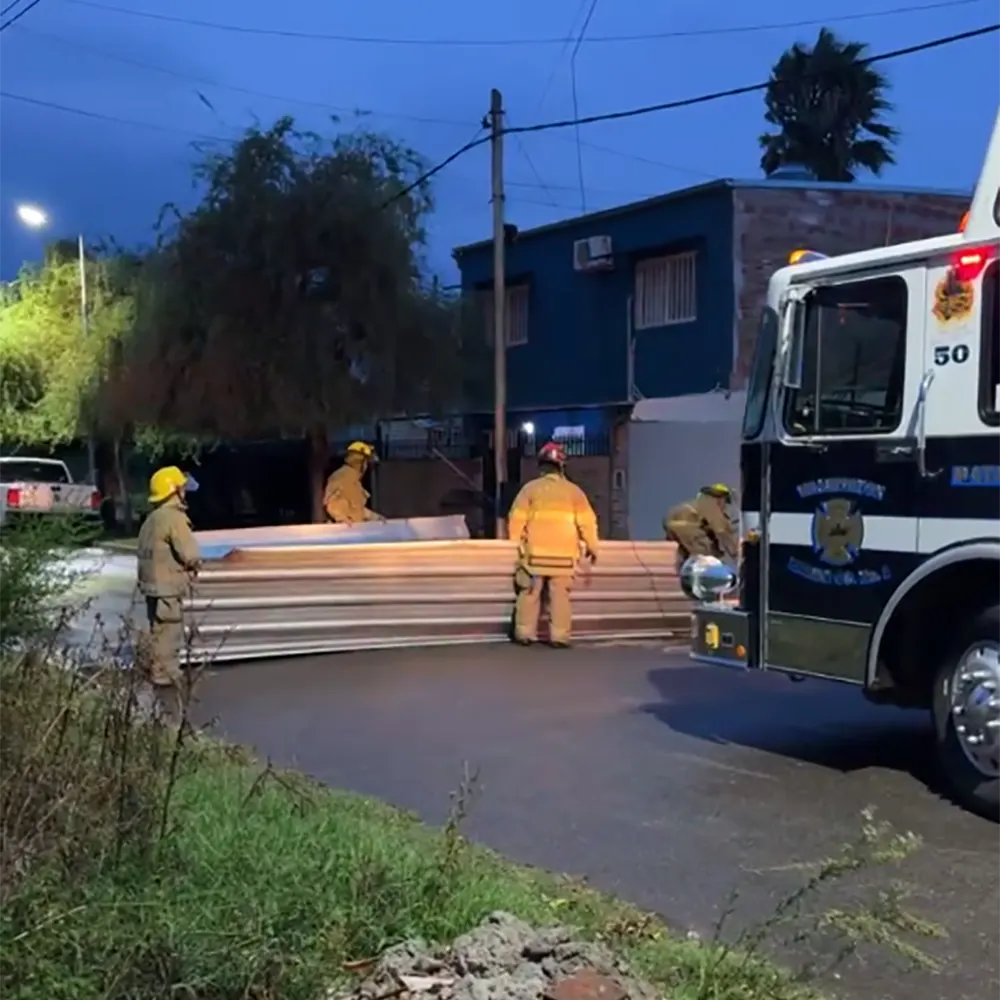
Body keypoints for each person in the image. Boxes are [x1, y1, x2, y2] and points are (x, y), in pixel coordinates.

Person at [507, 441, 599, 648]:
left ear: (541, 465)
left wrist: (514, 545)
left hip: (535, 557)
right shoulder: (575, 492)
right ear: (562, 466)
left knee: (529, 594)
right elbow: (587, 523)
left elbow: (516, 520)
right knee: (560, 599)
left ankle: (524, 633)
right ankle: (559, 637)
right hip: (564, 558)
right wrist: (593, 547)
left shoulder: (529, 490)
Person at [136, 466, 202, 698]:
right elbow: (189, 553)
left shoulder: (152, 518)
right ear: (175, 490)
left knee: (158, 628)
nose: (185, 491)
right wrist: (196, 566)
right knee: (169, 632)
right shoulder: (174, 518)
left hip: (152, 585)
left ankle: (157, 669)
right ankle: (166, 677)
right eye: (182, 487)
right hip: (167, 586)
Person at [664, 483, 739, 570]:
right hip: (686, 526)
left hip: (675, 524)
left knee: (690, 551)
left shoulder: (701, 503)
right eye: (725, 502)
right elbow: (721, 530)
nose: (725, 507)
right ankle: (703, 576)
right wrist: (736, 553)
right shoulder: (711, 504)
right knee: (706, 552)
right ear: (721, 499)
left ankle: (684, 571)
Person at [323, 441, 386, 524]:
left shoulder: (354, 479)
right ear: (361, 463)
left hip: (355, 529)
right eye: (366, 463)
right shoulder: (342, 477)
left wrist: (375, 517)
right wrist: (342, 519)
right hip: (343, 531)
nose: (367, 467)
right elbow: (331, 503)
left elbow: (357, 508)